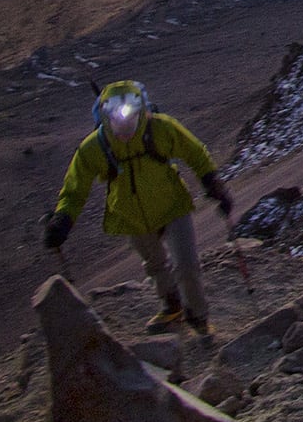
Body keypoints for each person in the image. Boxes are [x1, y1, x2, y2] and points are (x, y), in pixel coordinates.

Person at [43, 80, 234, 334]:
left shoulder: (160, 128)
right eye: (119, 124)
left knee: (186, 266)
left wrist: (213, 183)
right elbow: (75, 188)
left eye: (131, 122)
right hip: (131, 216)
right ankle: (172, 306)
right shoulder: (94, 148)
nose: (125, 130)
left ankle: (198, 318)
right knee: (156, 266)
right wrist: (63, 219)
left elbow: (195, 152)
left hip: (171, 207)